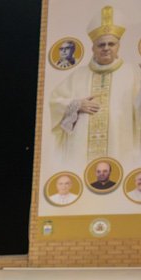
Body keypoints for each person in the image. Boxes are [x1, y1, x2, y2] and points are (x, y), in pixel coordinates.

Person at [48, 7, 141, 167]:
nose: (106, 48)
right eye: (101, 44)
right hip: (79, 151)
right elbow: (54, 102)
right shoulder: (78, 75)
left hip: (120, 147)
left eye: (111, 44)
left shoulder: (133, 72)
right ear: (93, 48)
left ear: (118, 46)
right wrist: (75, 105)